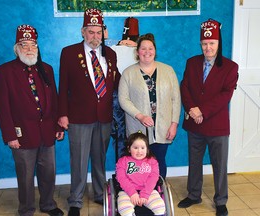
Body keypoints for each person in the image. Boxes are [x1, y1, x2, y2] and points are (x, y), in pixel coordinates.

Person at [0, 24, 64, 216]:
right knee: (25, 177)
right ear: (16, 49)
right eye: (24, 45)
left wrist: (58, 125)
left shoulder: (46, 69)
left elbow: (55, 99)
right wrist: (10, 135)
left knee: (48, 173)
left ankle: (48, 204)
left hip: (47, 131)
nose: (29, 49)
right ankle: (26, 210)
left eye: (33, 44)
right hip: (22, 134)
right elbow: (2, 107)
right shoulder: (5, 72)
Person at [57, 8, 121, 216]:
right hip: (78, 118)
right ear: (83, 32)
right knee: (79, 160)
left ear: (103, 32)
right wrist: (62, 114)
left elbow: (117, 81)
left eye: (99, 32)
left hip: (103, 117)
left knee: (99, 159)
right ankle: (75, 200)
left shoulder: (110, 54)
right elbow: (63, 86)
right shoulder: (69, 53)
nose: (95, 36)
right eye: (91, 32)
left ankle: (100, 194)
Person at [177, 19, 238, 216]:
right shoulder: (192, 62)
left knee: (219, 165)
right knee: (194, 161)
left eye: (212, 43)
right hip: (194, 124)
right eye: (204, 43)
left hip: (216, 125)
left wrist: (201, 110)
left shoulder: (230, 67)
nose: (207, 47)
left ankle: (221, 201)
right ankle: (194, 194)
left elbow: (225, 95)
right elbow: (184, 87)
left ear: (218, 44)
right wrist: (192, 109)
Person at [118, 33, 181, 179]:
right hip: (137, 129)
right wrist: (140, 115)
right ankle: (139, 196)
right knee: (139, 166)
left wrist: (174, 124)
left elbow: (176, 99)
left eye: (150, 48)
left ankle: (159, 195)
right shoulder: (128, 73)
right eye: (143, 48)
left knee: (158, 163)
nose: (147, 52)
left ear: (155, 51)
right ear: (137, 51)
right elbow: (123, 99)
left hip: (163, 128)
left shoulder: (168, 71)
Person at [116, 131, 166, 216]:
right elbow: (122, 178)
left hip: (148, 191)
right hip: (127, 191)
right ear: (129, 148)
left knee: (160, 208)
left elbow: (153, 178)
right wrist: (132, 193)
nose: (139, 151)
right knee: (125, 210)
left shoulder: (152, 161)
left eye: (142, 148)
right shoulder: (122, 161)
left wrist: (145, 194)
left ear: (147, 149)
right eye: (135, 148)